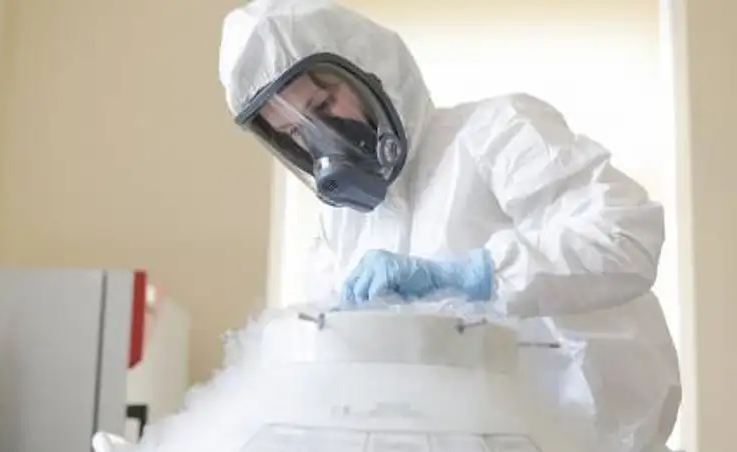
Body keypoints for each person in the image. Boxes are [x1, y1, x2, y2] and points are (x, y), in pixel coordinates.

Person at [218, 0, 681, 451]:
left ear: (364, 68)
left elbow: (625, 236)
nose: (321, 138)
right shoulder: (343, 228)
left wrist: (474, 276)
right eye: (296, 132)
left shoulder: (495, 134)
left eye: (323, 104)